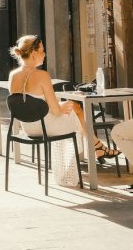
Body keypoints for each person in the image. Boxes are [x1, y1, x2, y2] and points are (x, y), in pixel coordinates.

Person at [9, 35, 118, 182]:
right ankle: (95, 148)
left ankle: (96, 147)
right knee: (76, 109)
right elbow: (56, 111)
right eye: (42, 51)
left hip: (28, 127)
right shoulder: (42, 75)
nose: (45, 54)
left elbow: (28, 104)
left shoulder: (13, 75)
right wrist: (66, 105)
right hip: (45, 127)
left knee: (74, 109)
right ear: (34, 53)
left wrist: (63, 106)